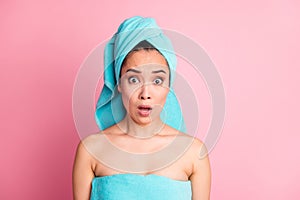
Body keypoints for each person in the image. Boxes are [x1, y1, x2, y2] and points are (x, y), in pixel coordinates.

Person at [72, 16, 211, 200]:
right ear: (118, 83)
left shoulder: (194, 153)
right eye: (134, 79)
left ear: (169, 85)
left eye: (157, 80)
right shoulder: (90, 151)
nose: (145, 94)